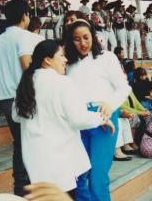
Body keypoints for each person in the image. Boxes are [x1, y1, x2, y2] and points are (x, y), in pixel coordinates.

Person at [13, 40, 114, 199]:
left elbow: (16, 116)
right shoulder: (62, 83)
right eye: (61, 55)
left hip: (36, 162)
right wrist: (102, 118)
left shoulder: (26, 83)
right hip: (62, 163)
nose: (66, 59)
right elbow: (78, 118)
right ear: (47, 60)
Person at [65, 20, 131, 201]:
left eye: (86, 37)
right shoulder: (68, 63)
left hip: (103, 118)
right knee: (78, 175)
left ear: (93, 37)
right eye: (76, 39)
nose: (83, 43)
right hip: (78, 120)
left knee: (97, 177)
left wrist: (110, 104)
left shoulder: (107, 57)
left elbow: (124, 88)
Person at [0, 0, 40, 196]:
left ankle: (21, 189)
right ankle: (28, 190)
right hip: (25, 98)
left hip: (5, 99)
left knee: (20, 144)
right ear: (24, 16)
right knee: (31, 145)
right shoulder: (26, 37)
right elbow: (28, 68)